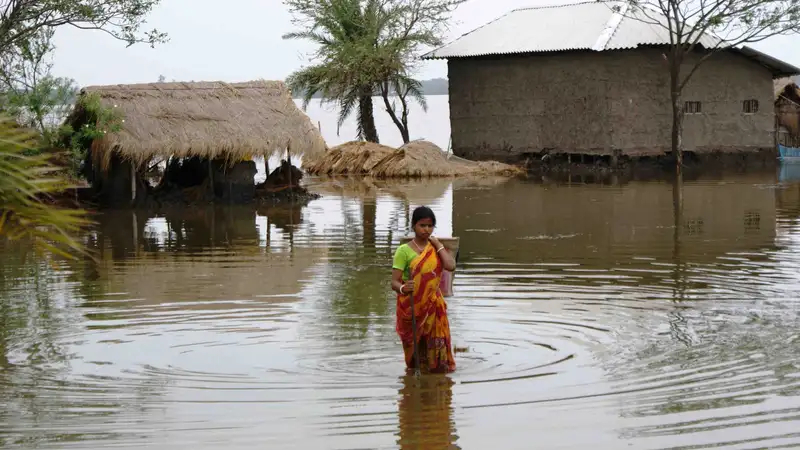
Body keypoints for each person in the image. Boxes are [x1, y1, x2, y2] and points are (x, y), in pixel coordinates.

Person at [391, 206, 457, 374]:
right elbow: (394, 282)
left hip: (434, 306)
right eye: (422, 225)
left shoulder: (436, 249)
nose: (426, 229)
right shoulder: (403, 251)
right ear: (413, 226)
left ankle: (437, 387)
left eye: (430, 226)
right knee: (416, 352)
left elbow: (450, 266)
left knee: (436, 346)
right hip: (412, 306)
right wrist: (404, 288)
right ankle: (414, 385)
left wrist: (438, 245)